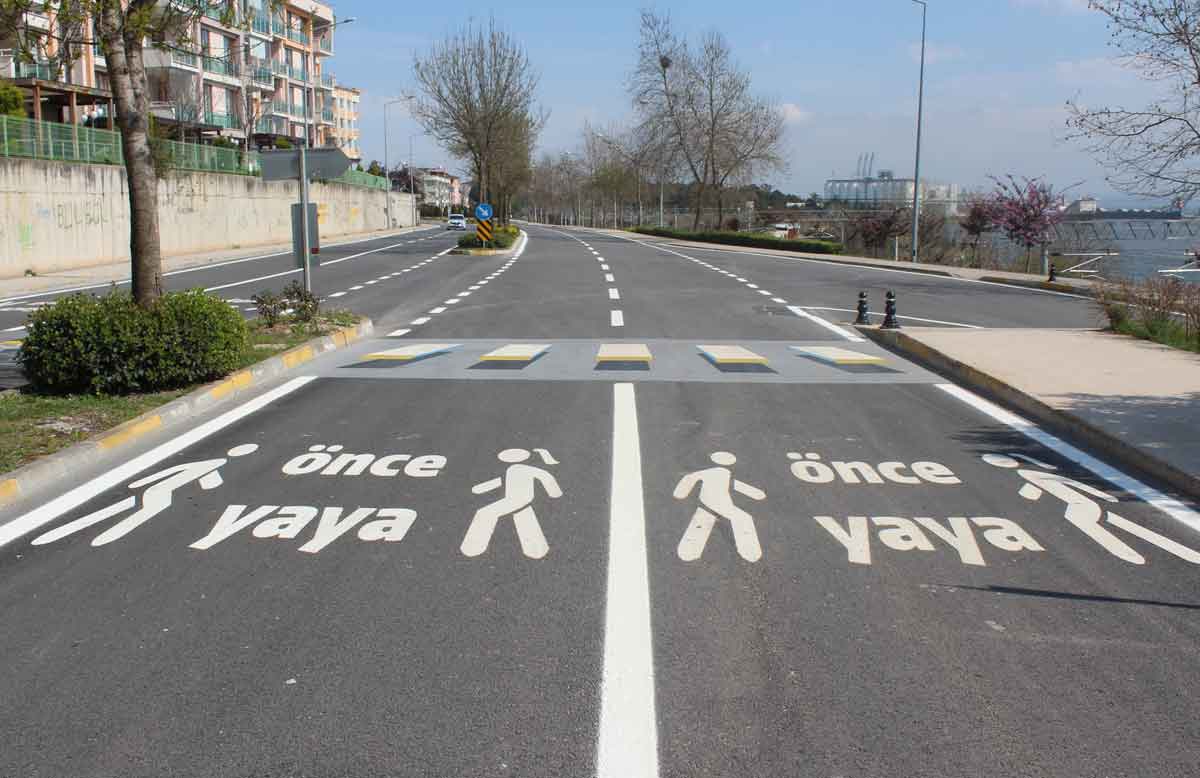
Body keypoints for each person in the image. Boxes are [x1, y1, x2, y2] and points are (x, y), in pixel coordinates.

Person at [983, 453, 1200, 565]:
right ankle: (1137, 550)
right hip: (1078, 505)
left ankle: (1127, 551)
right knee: (1106, 523)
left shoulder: (1031, 474)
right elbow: (1037, 489)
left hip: (1079, 504)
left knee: (1096, 524)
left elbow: (1050, 488)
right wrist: (1103, 495)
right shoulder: (1032, 473)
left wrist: (1101, 495)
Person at [33, 444, 259, 547]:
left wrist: (142, 483)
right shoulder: (212, 463)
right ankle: (108, 533)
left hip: (158, 490)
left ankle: (88, 531)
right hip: (161, 491)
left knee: (128, 508)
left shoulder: (213, 463)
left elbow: (195, 476)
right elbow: (204, 480)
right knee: (141, 510)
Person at [461, 448, 562, 559]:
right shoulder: (513, 469)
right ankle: (534, 550)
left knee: (486, 513)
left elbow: (545, 476)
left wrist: (554, 491)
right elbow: (501, 481)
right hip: (517, 498)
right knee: (523, 516)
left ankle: (473, 547)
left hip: (518, 498)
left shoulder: (522, 469)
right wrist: (482, 488)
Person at [673, 452, 766, 562]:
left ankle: (688, 551)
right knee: (743, 518)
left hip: (709, 500)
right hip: (720, 502)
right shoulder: (722, 473)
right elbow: (734, 484)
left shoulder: (711, 472)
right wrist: (756, 494)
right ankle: (750, 551)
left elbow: (690, 477)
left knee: (704, 518)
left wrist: (681, 493)